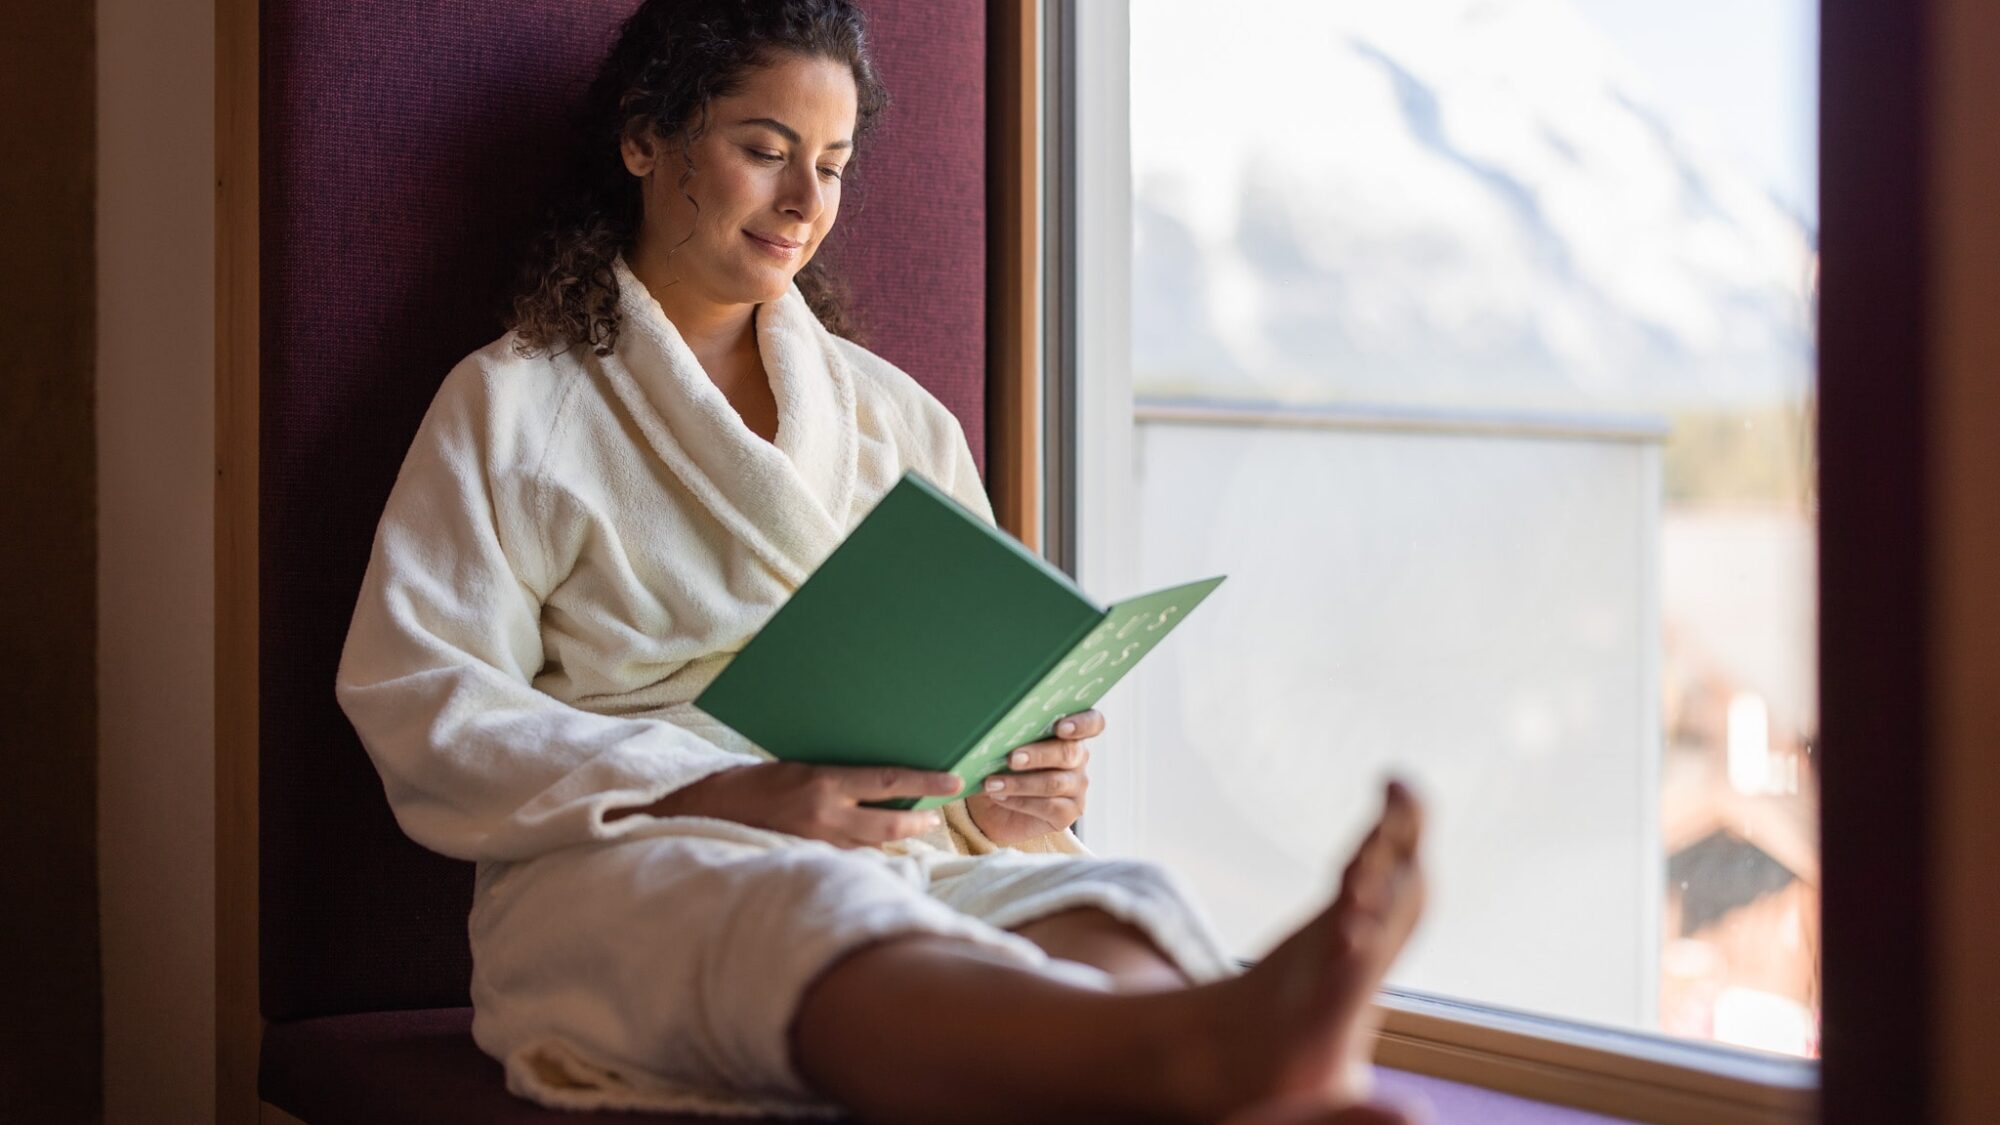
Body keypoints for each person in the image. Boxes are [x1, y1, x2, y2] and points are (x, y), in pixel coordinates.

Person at [336, 1, 1426, 1121]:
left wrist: (1008, 793)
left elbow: (966, 701)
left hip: (894, 840)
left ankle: (1217, 1058)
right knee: (793, 912)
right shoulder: (515, 404)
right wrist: (720, 787)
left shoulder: (893, 417)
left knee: (1111, 897)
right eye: (765, 151)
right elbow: (423, 696)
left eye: (832, 165)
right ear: (646, 138)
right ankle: (1200, 1062)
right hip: (637, 852)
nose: (804, 201)